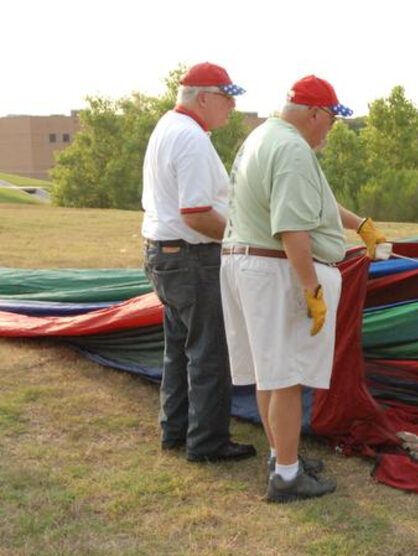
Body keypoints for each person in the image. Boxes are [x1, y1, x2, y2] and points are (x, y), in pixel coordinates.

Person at [220, 75, 387, 503]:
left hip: (246, 262)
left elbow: (317, 202)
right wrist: (311, 288)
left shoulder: (265, 136)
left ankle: (283, 457)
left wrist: (359, 224)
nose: (331, 129)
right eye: (331, 119)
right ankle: (287, 477)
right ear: (314, 113)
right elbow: (293, 226)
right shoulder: (293, 150)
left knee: (269, 374)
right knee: (287, 377)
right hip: (276, 269)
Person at [141, 62, 256, 462]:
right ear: (204, 97)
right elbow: (196, 213)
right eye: (228, 98)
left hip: (165, 253)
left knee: (179, 348)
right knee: (209, 353)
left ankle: (175, 430)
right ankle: (207, 442)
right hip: (192, 257)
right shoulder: (190, 138)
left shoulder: (167, 127)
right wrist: (242, 237)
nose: (232, 107)